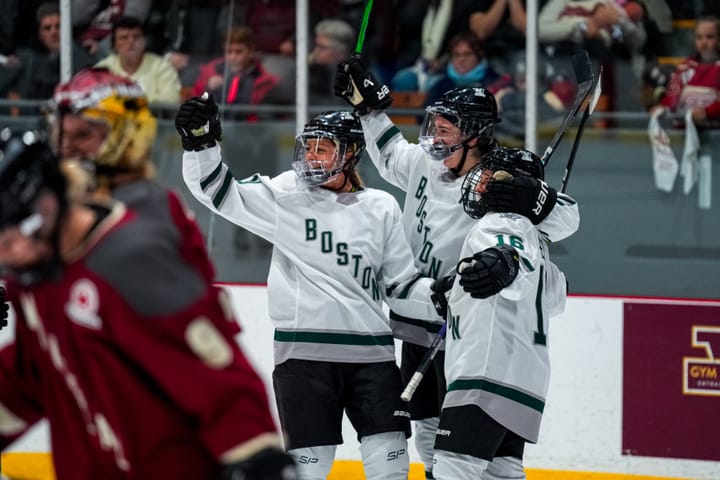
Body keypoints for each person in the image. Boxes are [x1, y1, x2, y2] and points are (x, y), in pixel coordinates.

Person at [175, 96, 447, 480]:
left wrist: (442, 296)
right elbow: (218, 191)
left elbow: (401, 286)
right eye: (309, 147)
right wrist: (201, 143)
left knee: (391, 469)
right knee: (308, 470)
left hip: (373, 359)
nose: (313, 157)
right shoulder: (286, 194)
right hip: (305, 360)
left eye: (325, 148)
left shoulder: (382, 206)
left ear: (351, 153)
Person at [0, 128, 296, 479]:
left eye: (10, 239)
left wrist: (258, 458)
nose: (9, 256)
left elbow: (217, 377)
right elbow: (30, 373)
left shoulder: (129, 259)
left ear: (47, 204)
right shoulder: (36, 279)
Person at [335, 58, 580, 479]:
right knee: (431, 440)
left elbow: (565, 219)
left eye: (444, 130)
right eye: (432, 127)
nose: (432, 139)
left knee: (467, 455)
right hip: (417, 322)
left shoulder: (497, 182)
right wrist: (369, 110)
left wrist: (529, 195)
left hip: (467, 331)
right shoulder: (424, 165)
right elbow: (391, 151)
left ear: (475, 135)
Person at [431, 147, 568, 479]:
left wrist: (504, 262)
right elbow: (555, 298)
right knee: (502, 474)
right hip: (524, 383)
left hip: (485, 377)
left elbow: (508, 256)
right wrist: (456, 288)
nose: (479, 185)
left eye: (489, 177)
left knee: (453, 471)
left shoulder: (500, 223)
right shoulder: (538, 241)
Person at [191, 26, 279, 121]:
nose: (233, 57)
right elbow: (193, 105)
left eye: (239, 52)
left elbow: (265, 117)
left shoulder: (264, 80)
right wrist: (206, 86)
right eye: (229, 51)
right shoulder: (210, 71)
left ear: (251, 51)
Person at [95, 15, 181, 105]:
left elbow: (172, 99)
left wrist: (128, 101)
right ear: (115, 45)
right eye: (124, 38)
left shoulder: (162, 67)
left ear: (144, 42)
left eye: (136, 37)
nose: (131, 41)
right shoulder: (103, 69)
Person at [650, 15, 720, 125]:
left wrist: (708, 112)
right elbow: (672, 96)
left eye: (710, 37)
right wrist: (662, 108)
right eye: (699, 37)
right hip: (685, 130)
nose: (704, 42)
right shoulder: (685, 67)